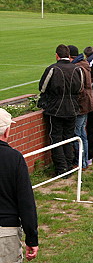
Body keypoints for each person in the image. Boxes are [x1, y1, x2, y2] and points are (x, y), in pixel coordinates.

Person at [37, 44, 83, 176]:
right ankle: (68, 166)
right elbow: (80, 88)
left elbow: (42, 88)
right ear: (68, 56)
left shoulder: (53, 69)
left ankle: (61, 168)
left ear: (57, 55)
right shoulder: (77, 69)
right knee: (68, 137)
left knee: (56, 137)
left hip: (56, 108)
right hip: (73, 108)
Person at [0, 108, 39, 262]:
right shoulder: (14, 158)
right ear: (7, 131)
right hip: (5, 233)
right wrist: (31, 238)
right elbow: (26, 201)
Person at [68, 45, 93, 170]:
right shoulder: (84, 64)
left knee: (77, 133)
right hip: (87, 103)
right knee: (82, 133)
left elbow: (79, 89)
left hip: (82, 105)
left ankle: (81, 162)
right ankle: (84, 161)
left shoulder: (78, 67)